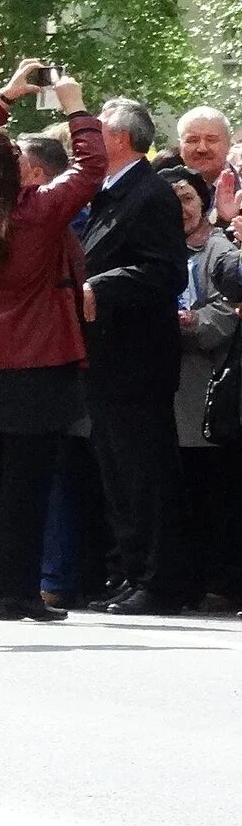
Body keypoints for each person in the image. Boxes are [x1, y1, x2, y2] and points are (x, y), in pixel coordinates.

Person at [0, 63, 101, 622]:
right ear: (16, 174)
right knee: (28, 483)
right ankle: (17, 593)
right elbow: (91, 165)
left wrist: (5, 96)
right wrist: (74, 105)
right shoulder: (39, 212)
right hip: (38, 360)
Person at [78, 97, 192, 615]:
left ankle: (160, 579)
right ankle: (132, 570)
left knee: (145, 472)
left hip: (136, 360)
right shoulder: (110, 193)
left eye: (96, 132)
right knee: (117, 473)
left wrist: (101, 284)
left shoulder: (150, 193)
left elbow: (165, 271)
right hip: (104, 358)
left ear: (118, 138)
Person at [165, 165, 237, 609]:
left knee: (213, 491)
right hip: (163, 391)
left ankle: (219, 582)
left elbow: (227, 310)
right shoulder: (159, 248)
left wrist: (193, 323)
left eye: (188, 198)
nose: (180, 209)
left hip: (206, 390)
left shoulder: (219, 250)